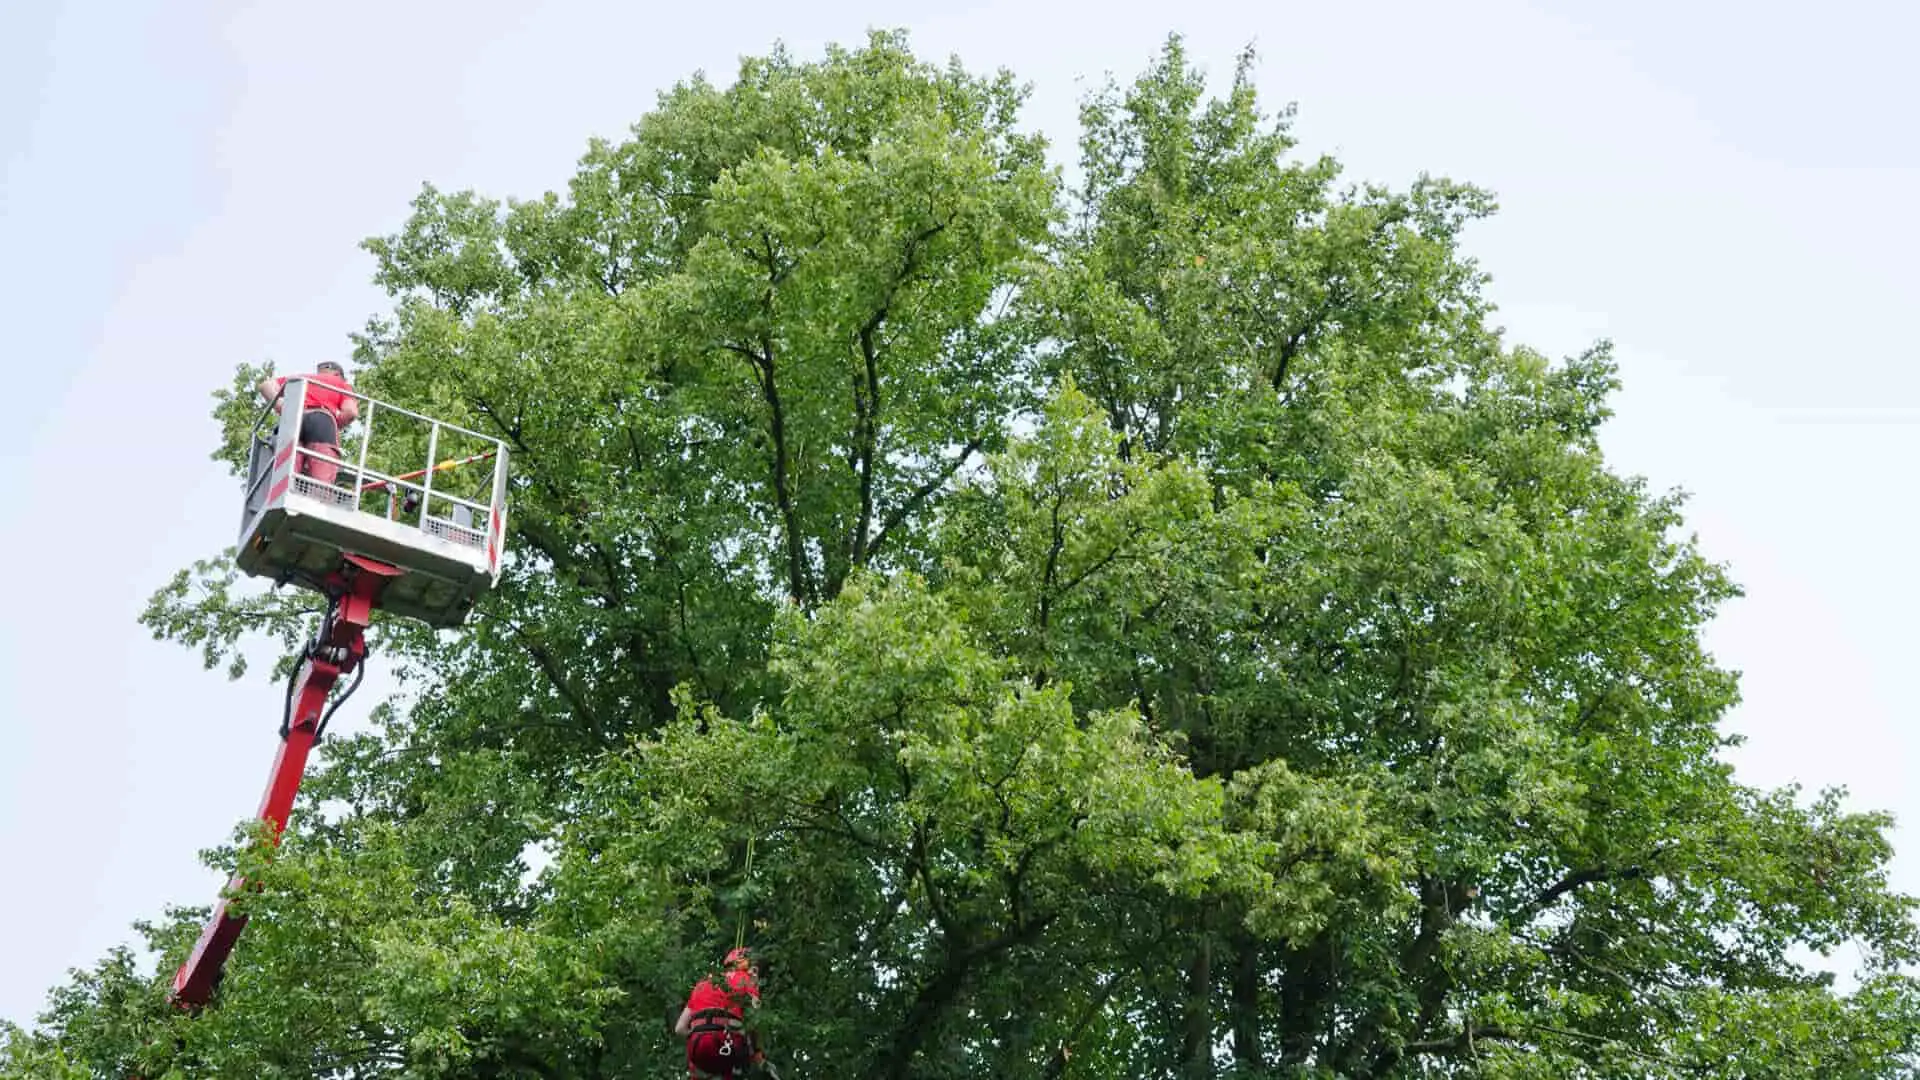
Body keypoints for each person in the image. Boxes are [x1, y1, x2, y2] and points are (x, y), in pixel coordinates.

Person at [257, 361, 359, 486]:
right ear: (337, 374)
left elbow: (265, 386)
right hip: (321, 421)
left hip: (292, 419)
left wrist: (281, 407)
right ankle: (320, 497)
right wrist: (336, 424)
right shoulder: (340, 384)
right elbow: (351, 412)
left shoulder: (301, 379)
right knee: (321, 480)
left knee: (287, 477)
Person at [674, 947, 770, 1079]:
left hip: (697, 1049)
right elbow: (755, 1019)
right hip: (727, 1044)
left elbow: (679, 1029)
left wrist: (703, 1032)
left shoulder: (703, 983)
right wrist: (758, 1054)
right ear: (750, 967)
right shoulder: (746, 980)